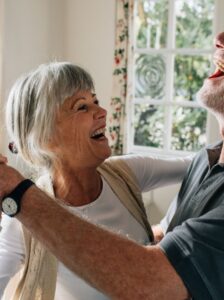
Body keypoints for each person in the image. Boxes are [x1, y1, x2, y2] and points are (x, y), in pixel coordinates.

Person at [1, 9, 224, 299]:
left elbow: (151, 284)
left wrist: (17, 193)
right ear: (44, 137)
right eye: (81, 106)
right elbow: (174, 240)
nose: (219, 37)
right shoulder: (207, 160)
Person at [0, 62, 191, 300]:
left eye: (95, 101)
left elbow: (201, 164)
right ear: (45, 137)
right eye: (81, 107)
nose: (102, 113)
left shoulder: (127, 172)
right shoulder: (23, 215)